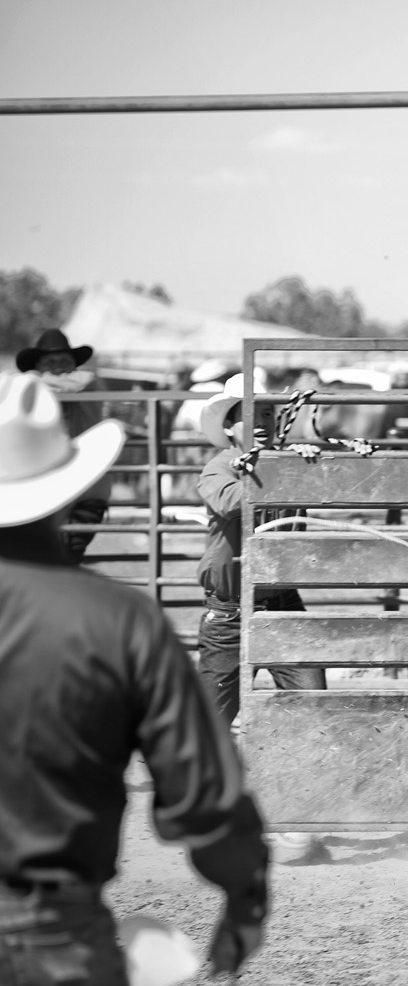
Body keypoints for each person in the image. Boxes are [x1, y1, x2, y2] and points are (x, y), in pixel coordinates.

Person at [0, 372, 268, 984]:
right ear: (70, 494)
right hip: (55, 923)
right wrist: (245, 892)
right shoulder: (119, 621)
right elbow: (203, 792)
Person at [196, 372, 327, 728]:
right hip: (231, 609)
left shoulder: (285, 461)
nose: (260, 422)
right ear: (229, 427)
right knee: (209, 723)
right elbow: (225, 501)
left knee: (314, 704)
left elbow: (331, 482)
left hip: (280, 598)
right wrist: (284, 472)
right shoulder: (220, 468)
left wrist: (300, 466)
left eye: (268, 414)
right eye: (250, 414)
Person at [15, 328, 110, 563]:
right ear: (38, 365)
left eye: (64, 361)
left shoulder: (87, 382)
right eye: (50, 361)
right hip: (45, 488)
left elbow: (75, 382)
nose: (58, 366)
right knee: (45, 556)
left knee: (67, 552)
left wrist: (36, 377)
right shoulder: (33, 388)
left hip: (86, 491)